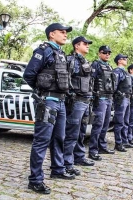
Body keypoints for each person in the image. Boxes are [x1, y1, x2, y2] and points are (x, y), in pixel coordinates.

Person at [23, 22, 74, 194]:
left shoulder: (60, 53)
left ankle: (57, 169)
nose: (65, 35)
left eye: (66, 32)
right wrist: (41, 92)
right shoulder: (43, 51)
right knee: (42, 140)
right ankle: (35, 180)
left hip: (60, 102)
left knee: (59, 138)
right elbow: (29, 75)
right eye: (62, 32)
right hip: (48, 102)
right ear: (52, 34)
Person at [64, 36, 95, 173]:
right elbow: (65, 81)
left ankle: (79, 156)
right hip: (76, 101)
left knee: (81, 132)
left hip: (86, 101)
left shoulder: (85, 61)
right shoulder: (70, 60)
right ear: (77, 46)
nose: (87, 45)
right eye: (85, 43)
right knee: (72, 133)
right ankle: (66, 162)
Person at [89, 45, 115, 161]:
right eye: (105, 52)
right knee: (98, 125)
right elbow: (91, 81)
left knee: (105, 124)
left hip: (109, 98)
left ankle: (102, 146)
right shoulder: (96, 64)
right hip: (100, 99)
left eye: (109, 53)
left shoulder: (109, 66)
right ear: (100, 53)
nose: (107, 54)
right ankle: (93, 150)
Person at [112, 54, 132, 152]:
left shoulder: (125, 72)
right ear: (119, 61)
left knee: (125, 121)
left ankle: (124, 141)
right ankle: (118, 143)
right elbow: (114, 86)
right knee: (119, 122)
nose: (126, 60)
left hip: (127, 98)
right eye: (124, 59)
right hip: (121, 98)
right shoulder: (117, 71)